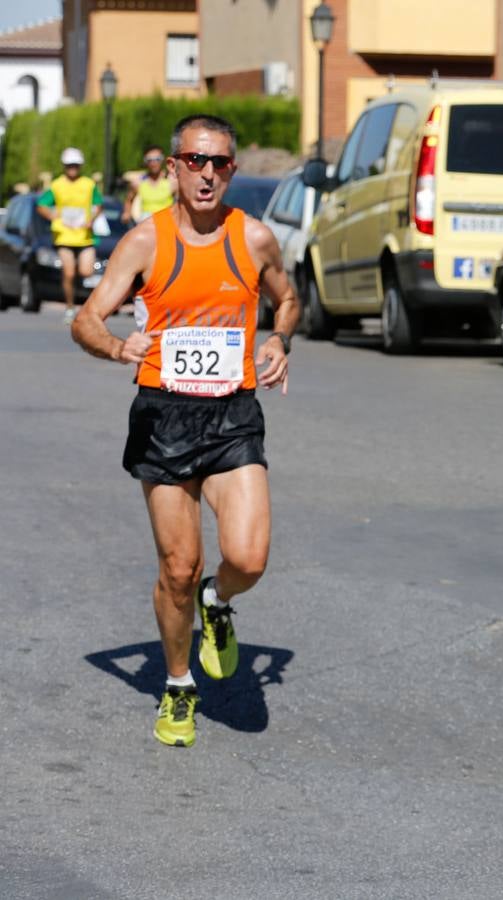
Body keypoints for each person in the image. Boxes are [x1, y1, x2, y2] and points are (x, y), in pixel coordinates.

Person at [71, 114, 300, 749]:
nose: (207, 173)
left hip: (232, 415)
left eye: (220, 163)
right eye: (195, 161)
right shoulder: (145, 241)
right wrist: (119, 349)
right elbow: (86, 320)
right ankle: (178, 684)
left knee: (248, 557)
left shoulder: (253, 238)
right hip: (163, 417)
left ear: (231, 170)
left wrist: (280, 337)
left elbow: (288, 299)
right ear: (172, 167)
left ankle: (217, 602)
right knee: (177, 566)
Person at [35, 147, 102, 325]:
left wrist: (92, 218)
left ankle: (80, 294)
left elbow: (98, 204)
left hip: (84, 235)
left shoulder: (88, 184)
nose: (73, 169)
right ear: (64, 166)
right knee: (69, 272)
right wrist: (52, 215)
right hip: (64, 235)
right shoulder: (57, 185)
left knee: (87, 271)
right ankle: (70, 307)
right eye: (69, 165)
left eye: (76, 165)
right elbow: (41, 205)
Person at [122, 144, 176, 224]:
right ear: (145, 161)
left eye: (157, 159)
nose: (153, 163)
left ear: (163, 160)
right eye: (149, 160)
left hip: (166, 224)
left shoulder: (172, 181)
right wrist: (127, 213)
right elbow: (129, 200)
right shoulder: (138, 182)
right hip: (145, 224)